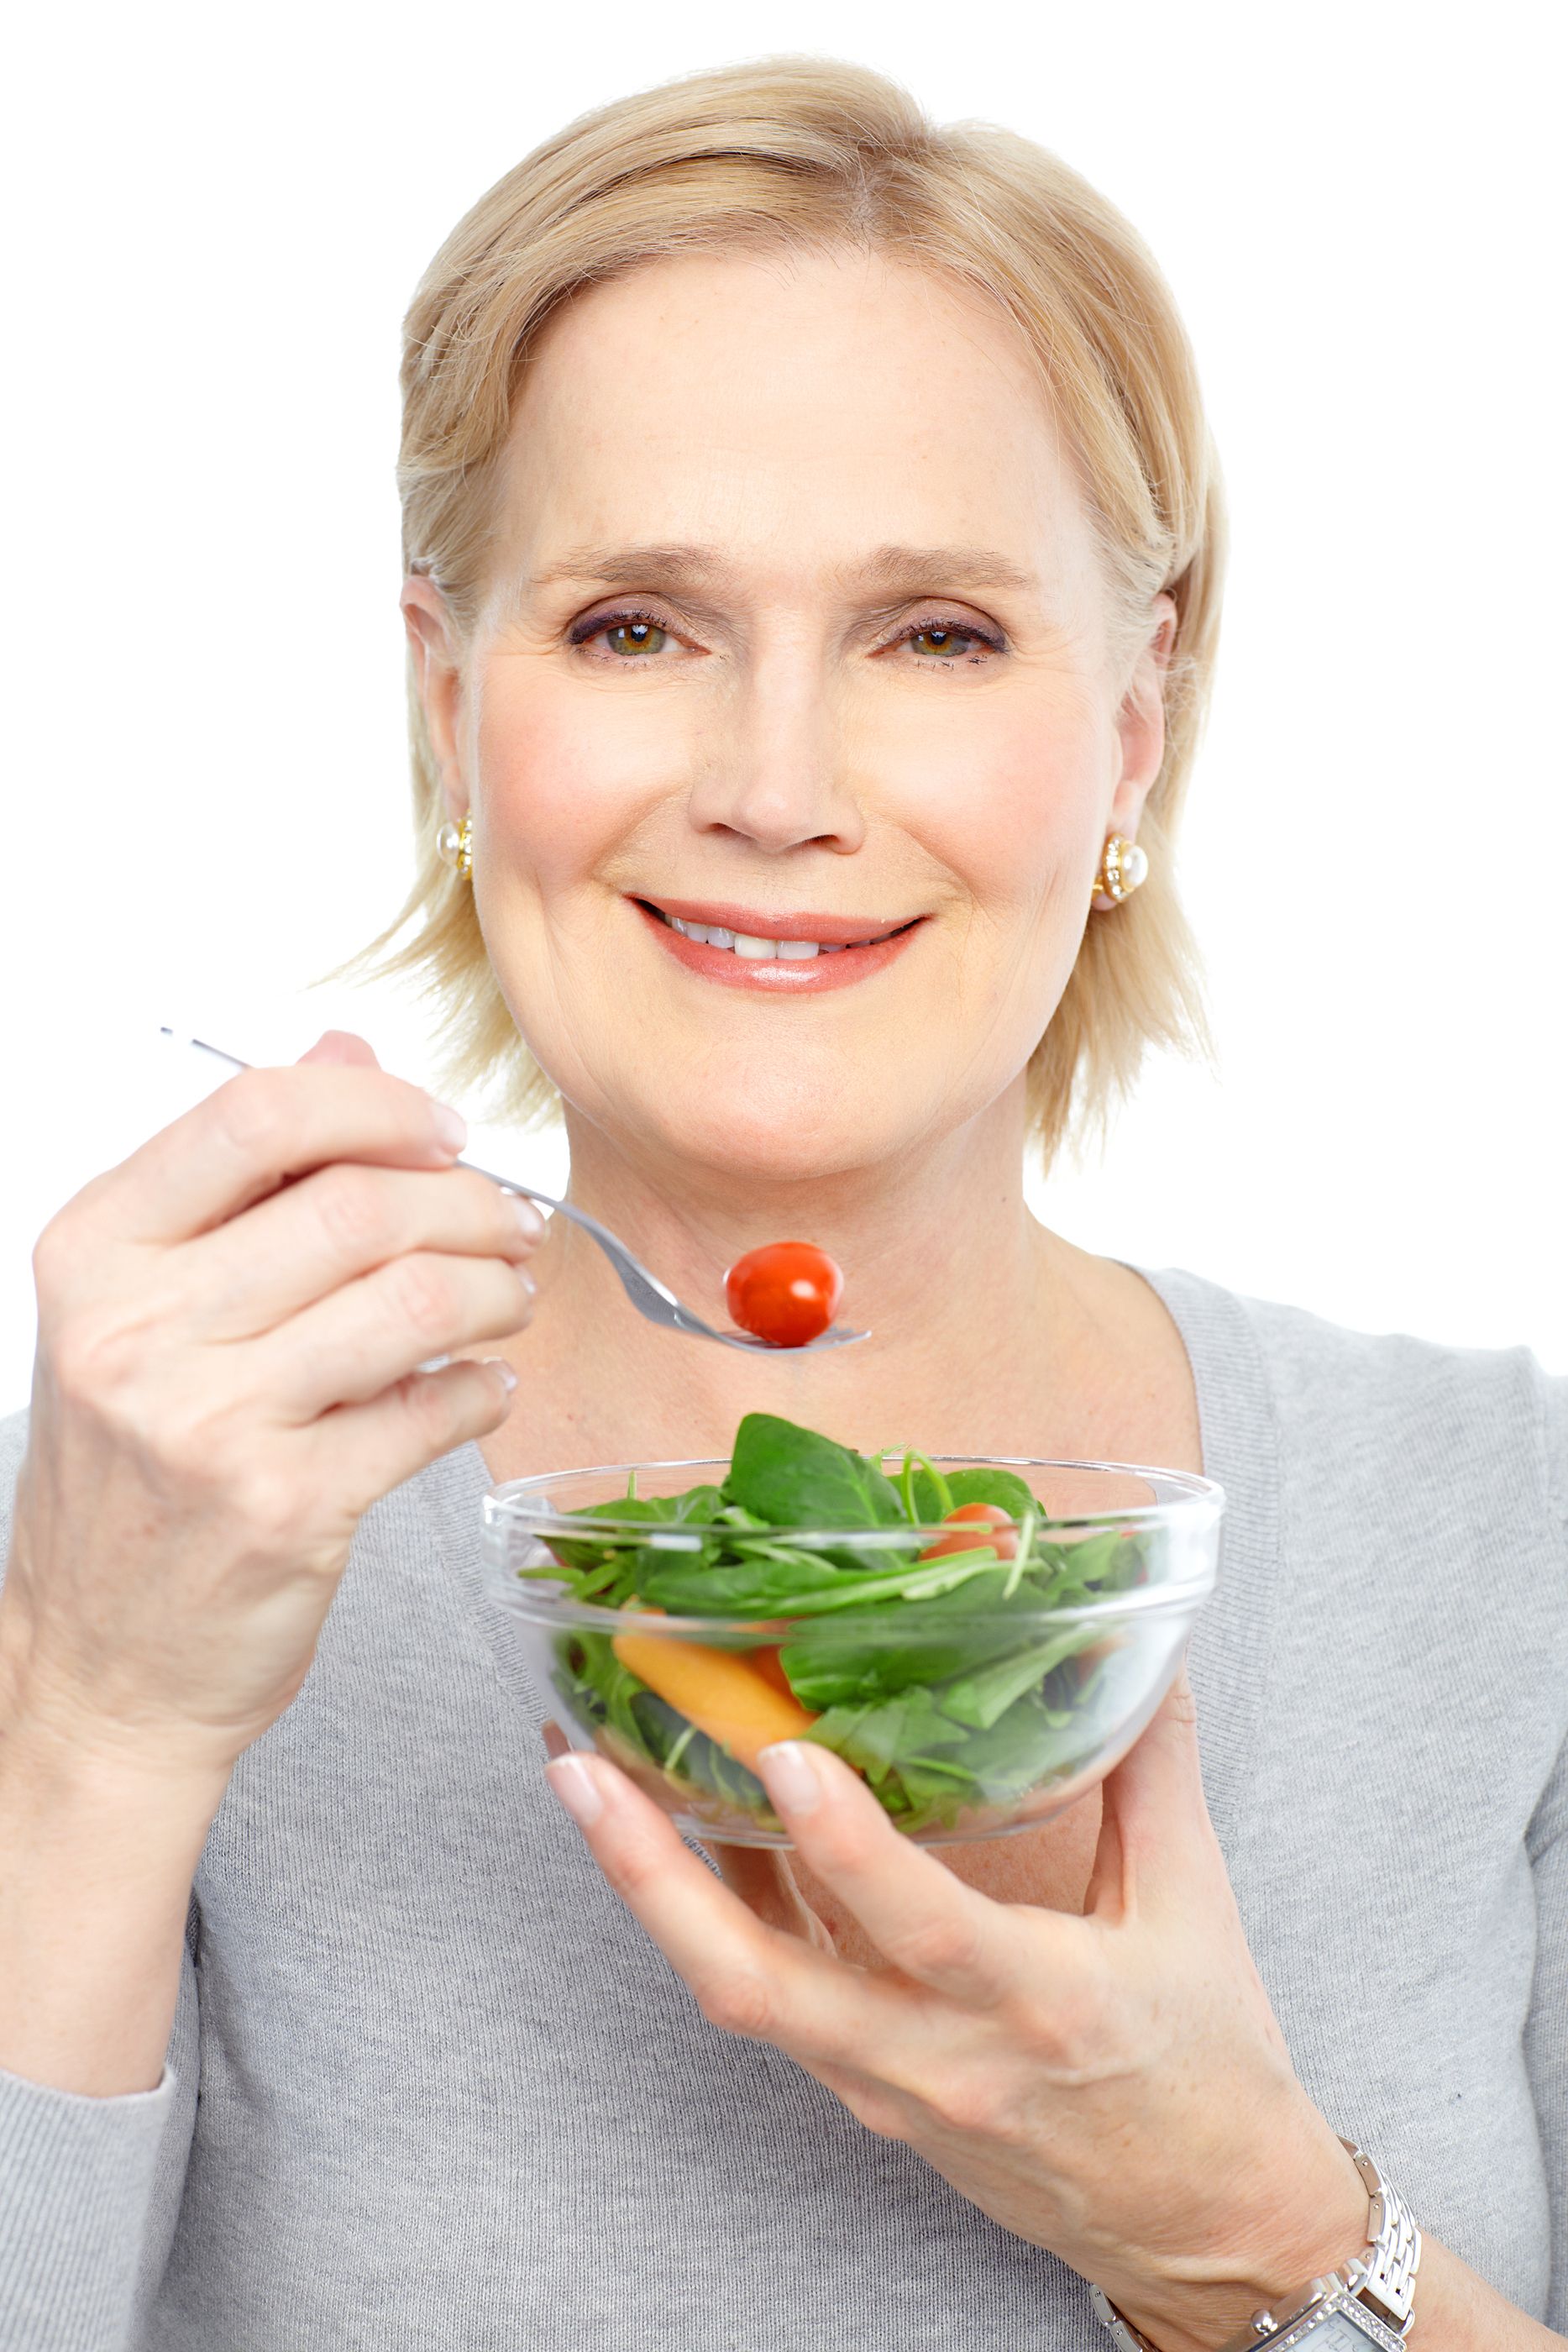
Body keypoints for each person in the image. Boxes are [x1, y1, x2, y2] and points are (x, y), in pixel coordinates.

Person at [1, 55, 1562, 2352]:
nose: (772, 787)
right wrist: (97, 1729)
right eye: (636, 625)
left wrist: (1239, 2230)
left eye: (934, 632)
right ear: (450, 705)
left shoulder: (1506, 1527)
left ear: (1133, 722)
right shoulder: (133, 1525)